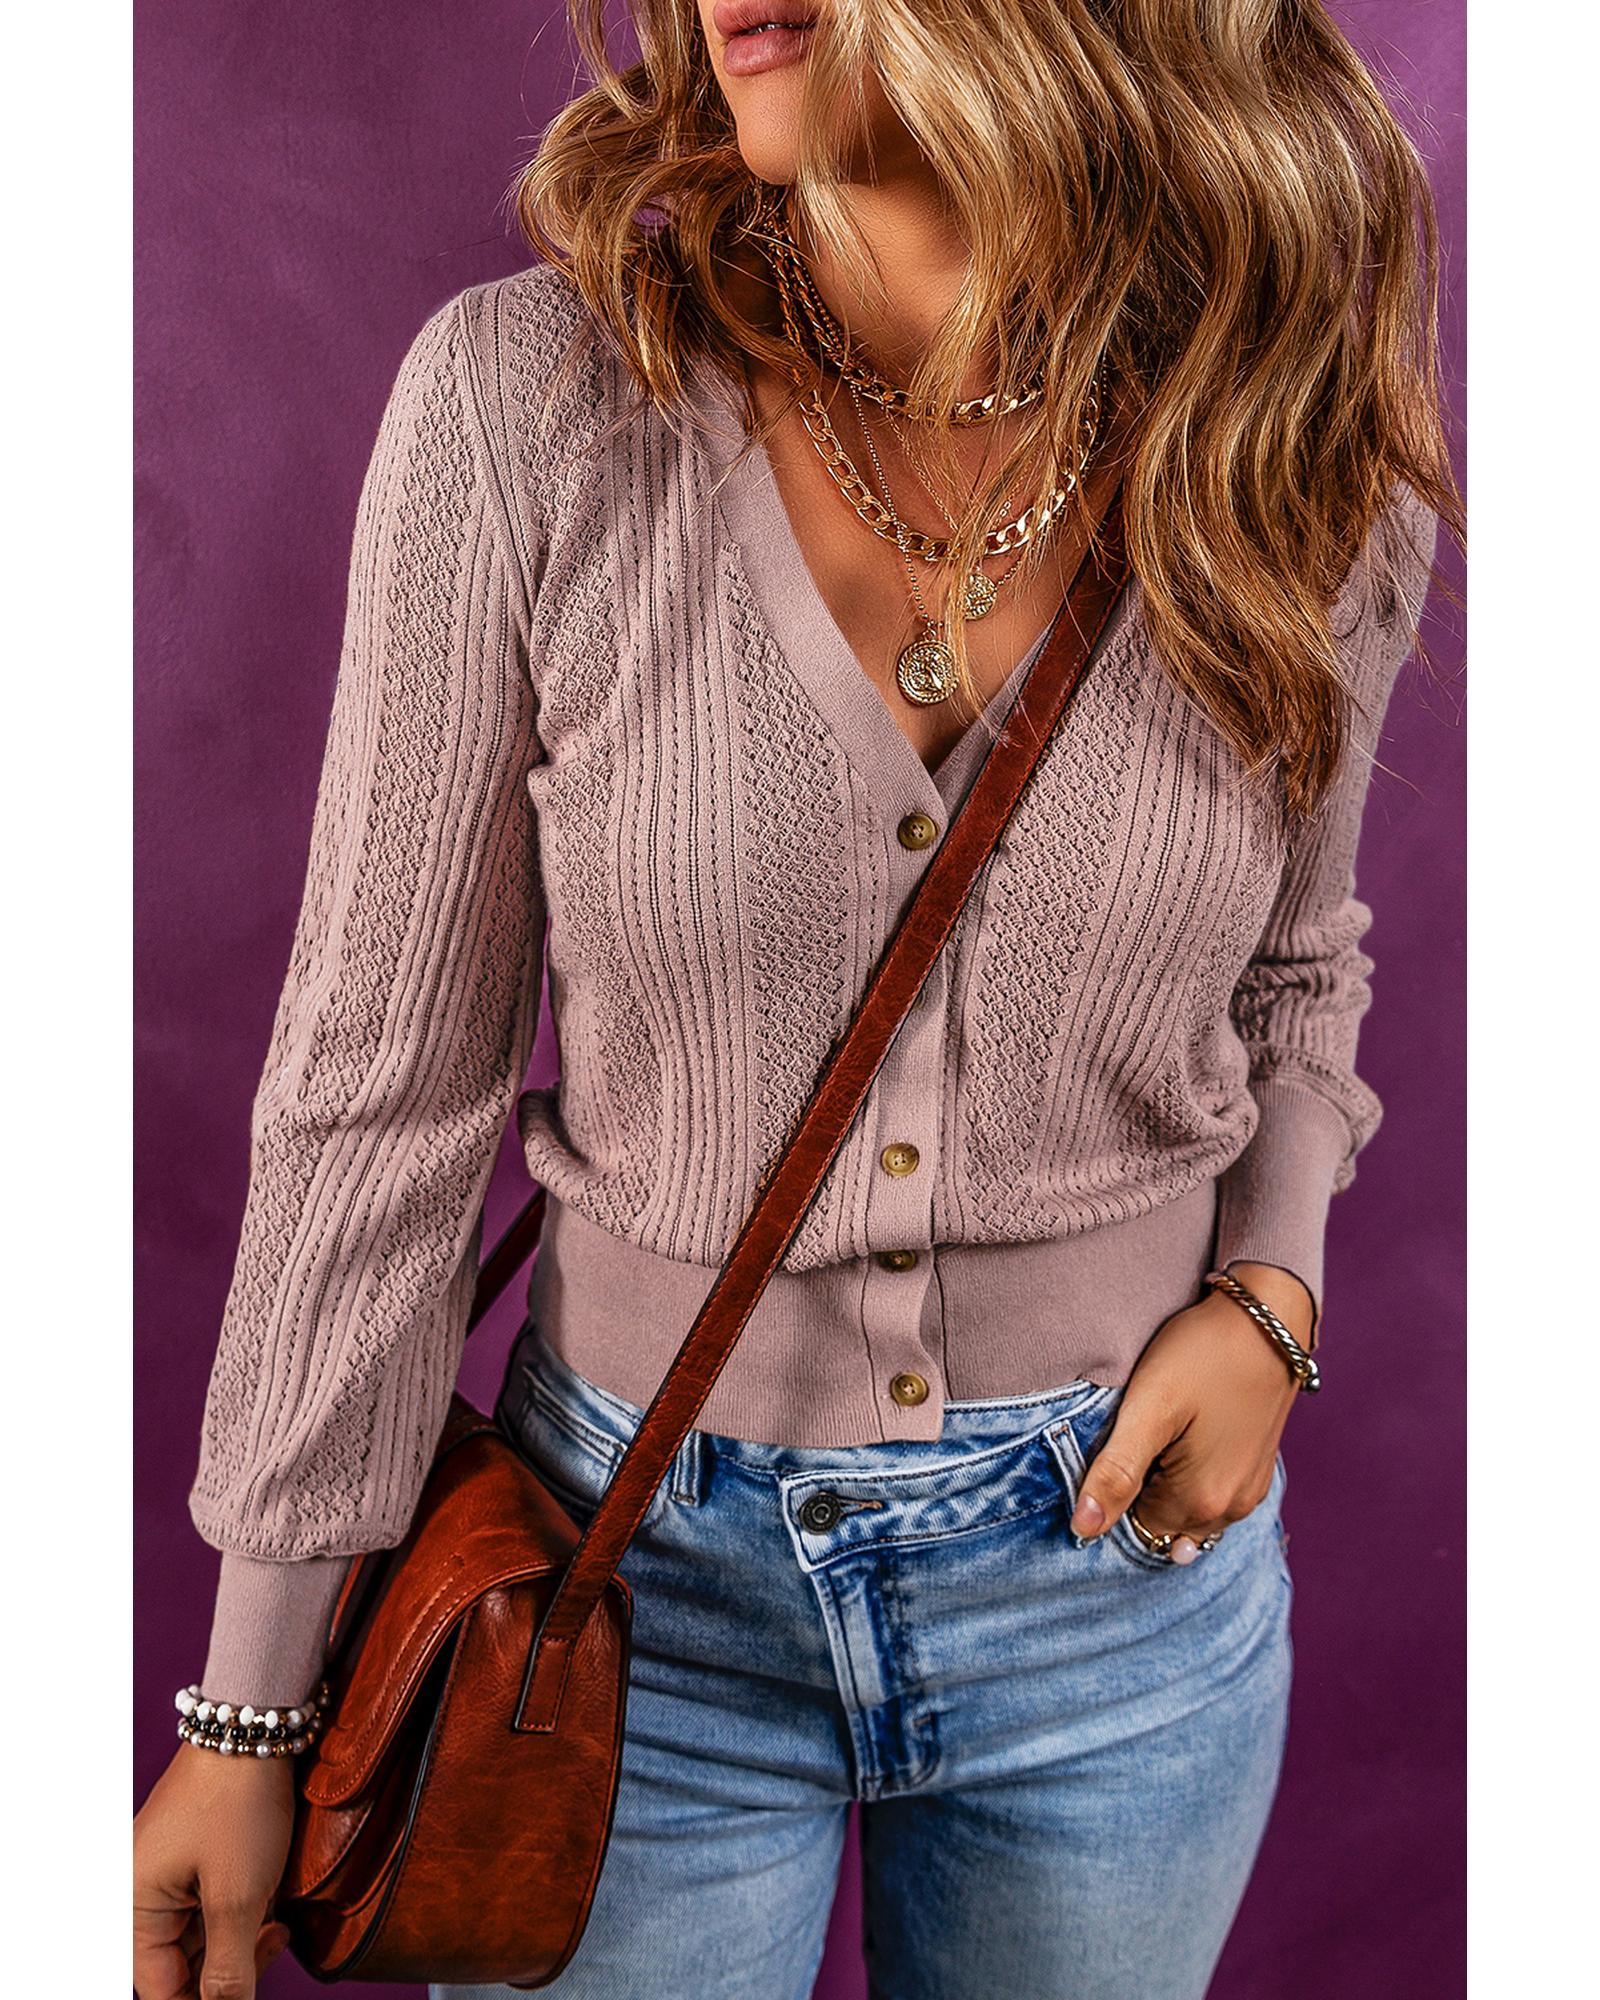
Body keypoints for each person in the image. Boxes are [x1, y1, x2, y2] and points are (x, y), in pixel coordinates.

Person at [133, 3, 1460, 1996]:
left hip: (1118, 1597)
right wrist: (249, 1706)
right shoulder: (531, 413)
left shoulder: (1276, 440)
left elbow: (1297, 961)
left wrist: (1273, 1290)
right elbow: (379, 1091)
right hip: (614, 1607)